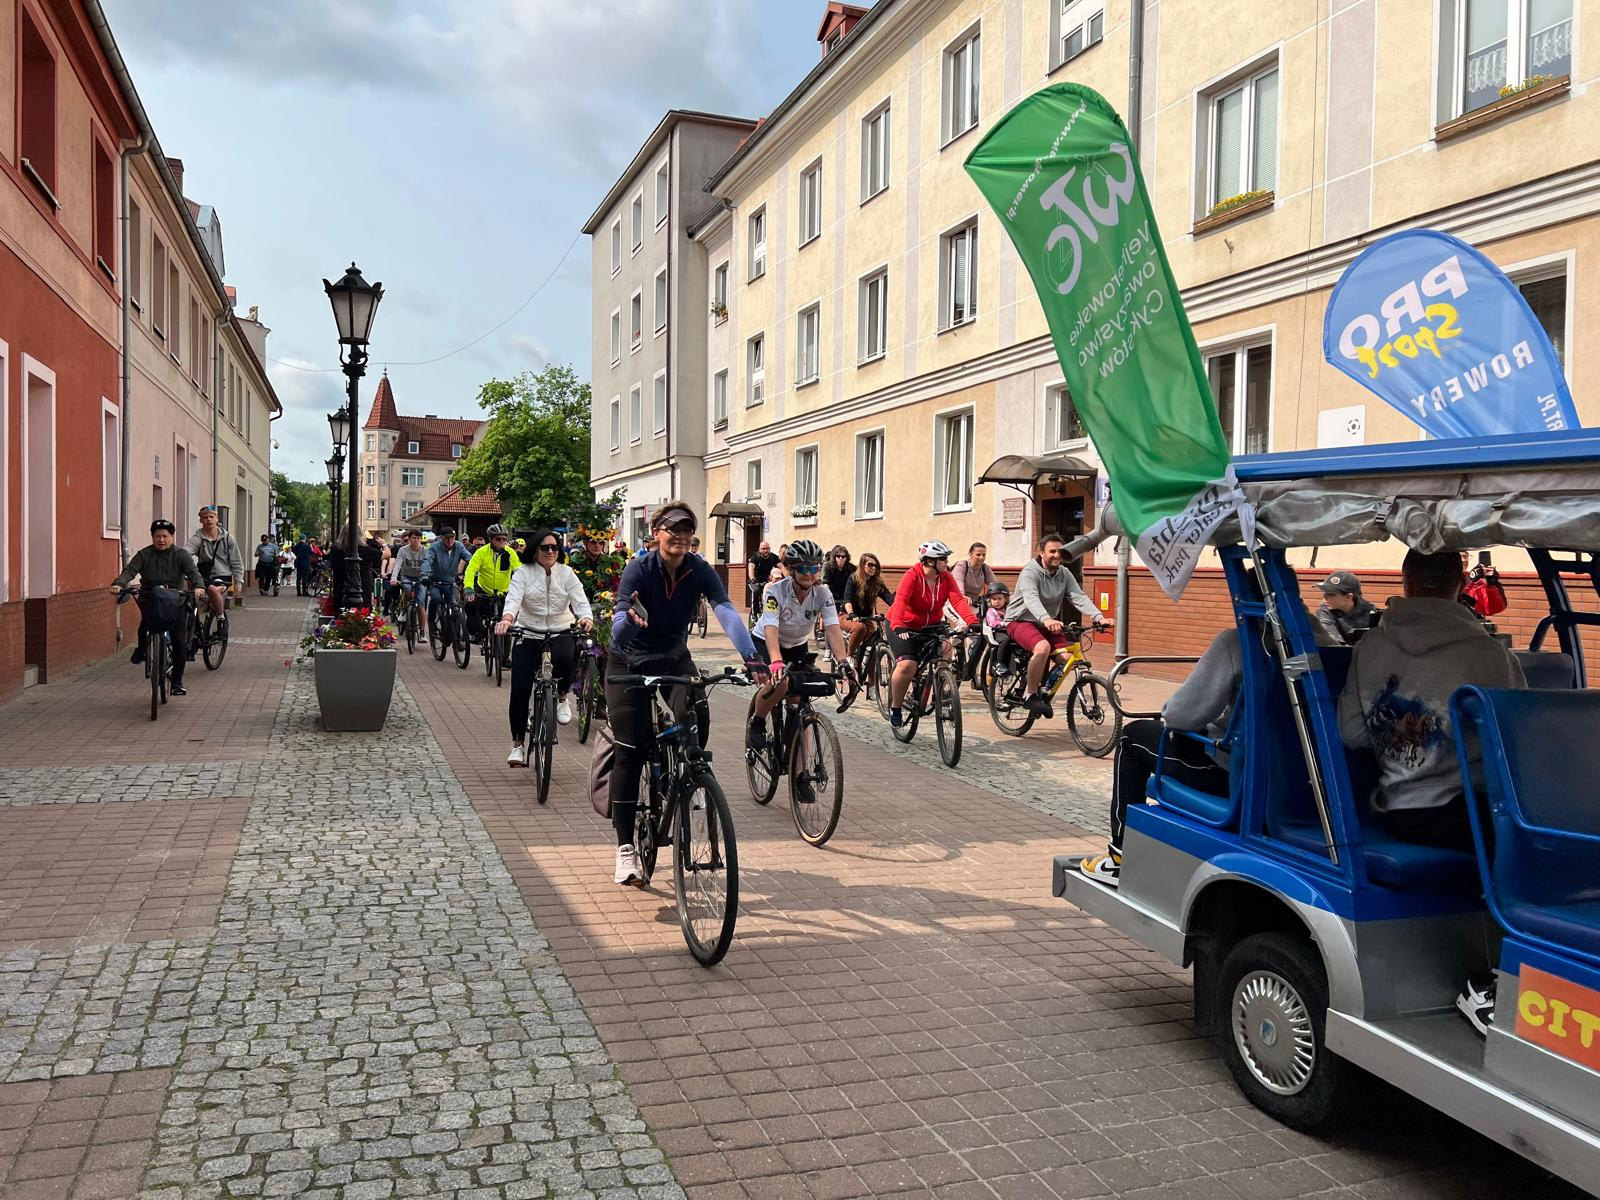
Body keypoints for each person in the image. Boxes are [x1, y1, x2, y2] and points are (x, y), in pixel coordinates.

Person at [1338, 549, 1526, 1035]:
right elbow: (1518, 740)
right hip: (1460, 808)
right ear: (1461, 581)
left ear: (1405, 579)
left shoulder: (1370, 648)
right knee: (1527, 836)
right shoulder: (1489, 654)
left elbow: (1353, 735)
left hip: (1398, 805)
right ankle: (1495, 978)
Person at [608, 502, 760, 886]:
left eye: (687, 529)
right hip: (629, 662)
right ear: (656, 531)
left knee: (698, 710)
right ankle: (625, 849)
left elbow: (725, 610)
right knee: (631, 748)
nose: (680, 535)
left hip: (673, 658)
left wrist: (751, 657)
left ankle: (686, 773)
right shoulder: (638, 568)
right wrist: (629, 620)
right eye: (671, 528)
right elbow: (616, 629)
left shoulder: (699, 569)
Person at [1079, 628, 1242, 888]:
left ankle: (1121, 853)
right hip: (1298, 779)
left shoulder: (1237, 642)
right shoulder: (1321, 640)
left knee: (1130, 737)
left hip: (1229, 771)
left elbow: (1180, 714)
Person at [496, 529, 593, 765]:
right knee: (519, 689)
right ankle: (518, 745)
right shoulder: (523, 573)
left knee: (568, 658)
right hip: (529, 631)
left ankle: (561, 697)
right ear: (534, 550)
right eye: (545, 547)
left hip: (560, 628)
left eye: (554, 547)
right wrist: (508, 619)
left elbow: (579, 598)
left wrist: (585, 617)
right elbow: (514, 598)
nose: (550, 551)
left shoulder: (567, 573)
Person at [747, 541, 854, 747]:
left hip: (797, 644)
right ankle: (758, 720)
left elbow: (832, 628)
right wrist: (776, 661)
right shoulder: (775, 591)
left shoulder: (822, 593)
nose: (809, 574)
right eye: (803, 568)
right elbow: (771, 626)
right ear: (792, 569)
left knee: (799, 693)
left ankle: (800, 774)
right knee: (781, 682)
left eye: (814, 568)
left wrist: (843, 661)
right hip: (766, 640)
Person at [1005, 533, 1110, 718]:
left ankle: (1044, 690)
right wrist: (1047, 619)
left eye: (1059, 551)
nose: (1056, 555)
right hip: (1020, 620)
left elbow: (1078, 596)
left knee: (1068, 659)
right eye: (1052, 551)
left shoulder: (1064, 573)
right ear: (1041, 553)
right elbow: (1031, 599)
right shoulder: (1030, 572)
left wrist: (1098, 616)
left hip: (1047, 623)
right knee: (1042, 647)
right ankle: (1030, 695)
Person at [884, 541, 978, 728]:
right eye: (942, 558)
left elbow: (957, 600)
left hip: (932, 624)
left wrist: (972, 621)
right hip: (903, 623)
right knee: (907, 665)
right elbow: (901, 601)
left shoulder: (946, 577)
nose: (946, 562)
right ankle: (895, 707)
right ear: (928, 561)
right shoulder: (912, 576)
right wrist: (898, 624)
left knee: (946, 649)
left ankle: (940, 689)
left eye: (946, 558)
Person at [111, 519, 204, 696]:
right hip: (152, 599)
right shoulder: (144, 554)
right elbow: (130, 570)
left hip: (176, 601)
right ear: (152, 537)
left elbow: (193, 572)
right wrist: (119, 583)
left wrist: (199, 586)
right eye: (158, 536)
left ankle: (177, 682)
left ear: (172, 537)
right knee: (145, 624)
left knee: (178, 642)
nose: (161, 540)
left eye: (165, 536)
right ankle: (141, 649)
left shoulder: (181, 555)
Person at [186, 507, 244, 621]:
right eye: (205, 517)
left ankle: (221, 619)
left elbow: (236, 561)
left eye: (211, 517)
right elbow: (185, 552)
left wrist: (238, 582)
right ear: (201, 520)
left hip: (223, 577)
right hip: (204, 577)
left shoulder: (228, 538)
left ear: (217, 519)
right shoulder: (198, 538)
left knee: (213, 589)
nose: (208, 520)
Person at [463, 525, 521, 638]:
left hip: (503, 592)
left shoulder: (510, 553)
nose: (502, 541)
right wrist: (469, 588)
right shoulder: (481, 552)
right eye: (498, 539)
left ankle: (503, 652)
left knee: (508, 616)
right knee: (470, 606)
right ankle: (476, 633)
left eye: (504, 539)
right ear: (491, 539)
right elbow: (471, 570)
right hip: (484, 590)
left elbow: (518, 571)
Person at [840, 553, 891, 656]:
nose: (873, 568)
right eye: (870, 565)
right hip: (847, 616)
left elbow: (889, 598)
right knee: (860, 628)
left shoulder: (877, 583)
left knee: (872, 646)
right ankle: (849, 656)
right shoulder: (854, 578)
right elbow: (847, 599)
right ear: (862, 565)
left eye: (876, 566)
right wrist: (851, 613)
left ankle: (871, 671)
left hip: (866, 618)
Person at [1315, 570, 1381, 646]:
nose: (1325, 597)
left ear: (1349, 597)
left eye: (1331, 594)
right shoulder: (1324, 612)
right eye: (1324, 592)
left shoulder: (1371, 612)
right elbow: (1334, 645)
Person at [423, 527, 472, 629]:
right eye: (446, 538)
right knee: (436, 599)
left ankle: (454, 631)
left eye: (452, 537)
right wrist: (425, 575)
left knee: (454, 605)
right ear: (441, 538)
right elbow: (427, 561)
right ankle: (431, 621)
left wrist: (476, 570)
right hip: (436, 581)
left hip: (451, 581)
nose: (450, 540)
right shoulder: (434, 547)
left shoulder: (459, 546)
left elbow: (469, 558)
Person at [393, 529, 430, 635]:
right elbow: (398, 564)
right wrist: (394, 577)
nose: (416, 540)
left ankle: (422, 632)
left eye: (418, 538)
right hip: (407, 576)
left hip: (420, 578)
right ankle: (405, 610)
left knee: (421, 604)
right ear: (409, 539)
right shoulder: (403, 550)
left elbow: (429, 564)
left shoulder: (425, 551)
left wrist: (428, 576)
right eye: (414, 538)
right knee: (408, 591)